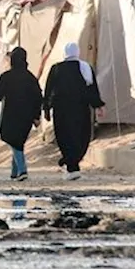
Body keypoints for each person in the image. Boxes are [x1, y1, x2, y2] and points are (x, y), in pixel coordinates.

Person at [0, 47, 43, 181]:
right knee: (17, 141)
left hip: (10, 116)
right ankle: (15, 172)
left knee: (11, 138)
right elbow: (38, 98)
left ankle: (22, 170)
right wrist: (36, 116)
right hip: (26, 117)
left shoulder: (6, 77)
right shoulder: (30, 78)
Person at [45, 42, 104, 181]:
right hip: (81, 110)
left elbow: (49, 90)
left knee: (65, 137)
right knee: (81, 137)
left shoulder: (56, 69)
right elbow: (92, 90)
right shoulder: (85, 68)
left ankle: (69, 163)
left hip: (61, 111)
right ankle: (72, 166)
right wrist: (98, 105)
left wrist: (46, 109)